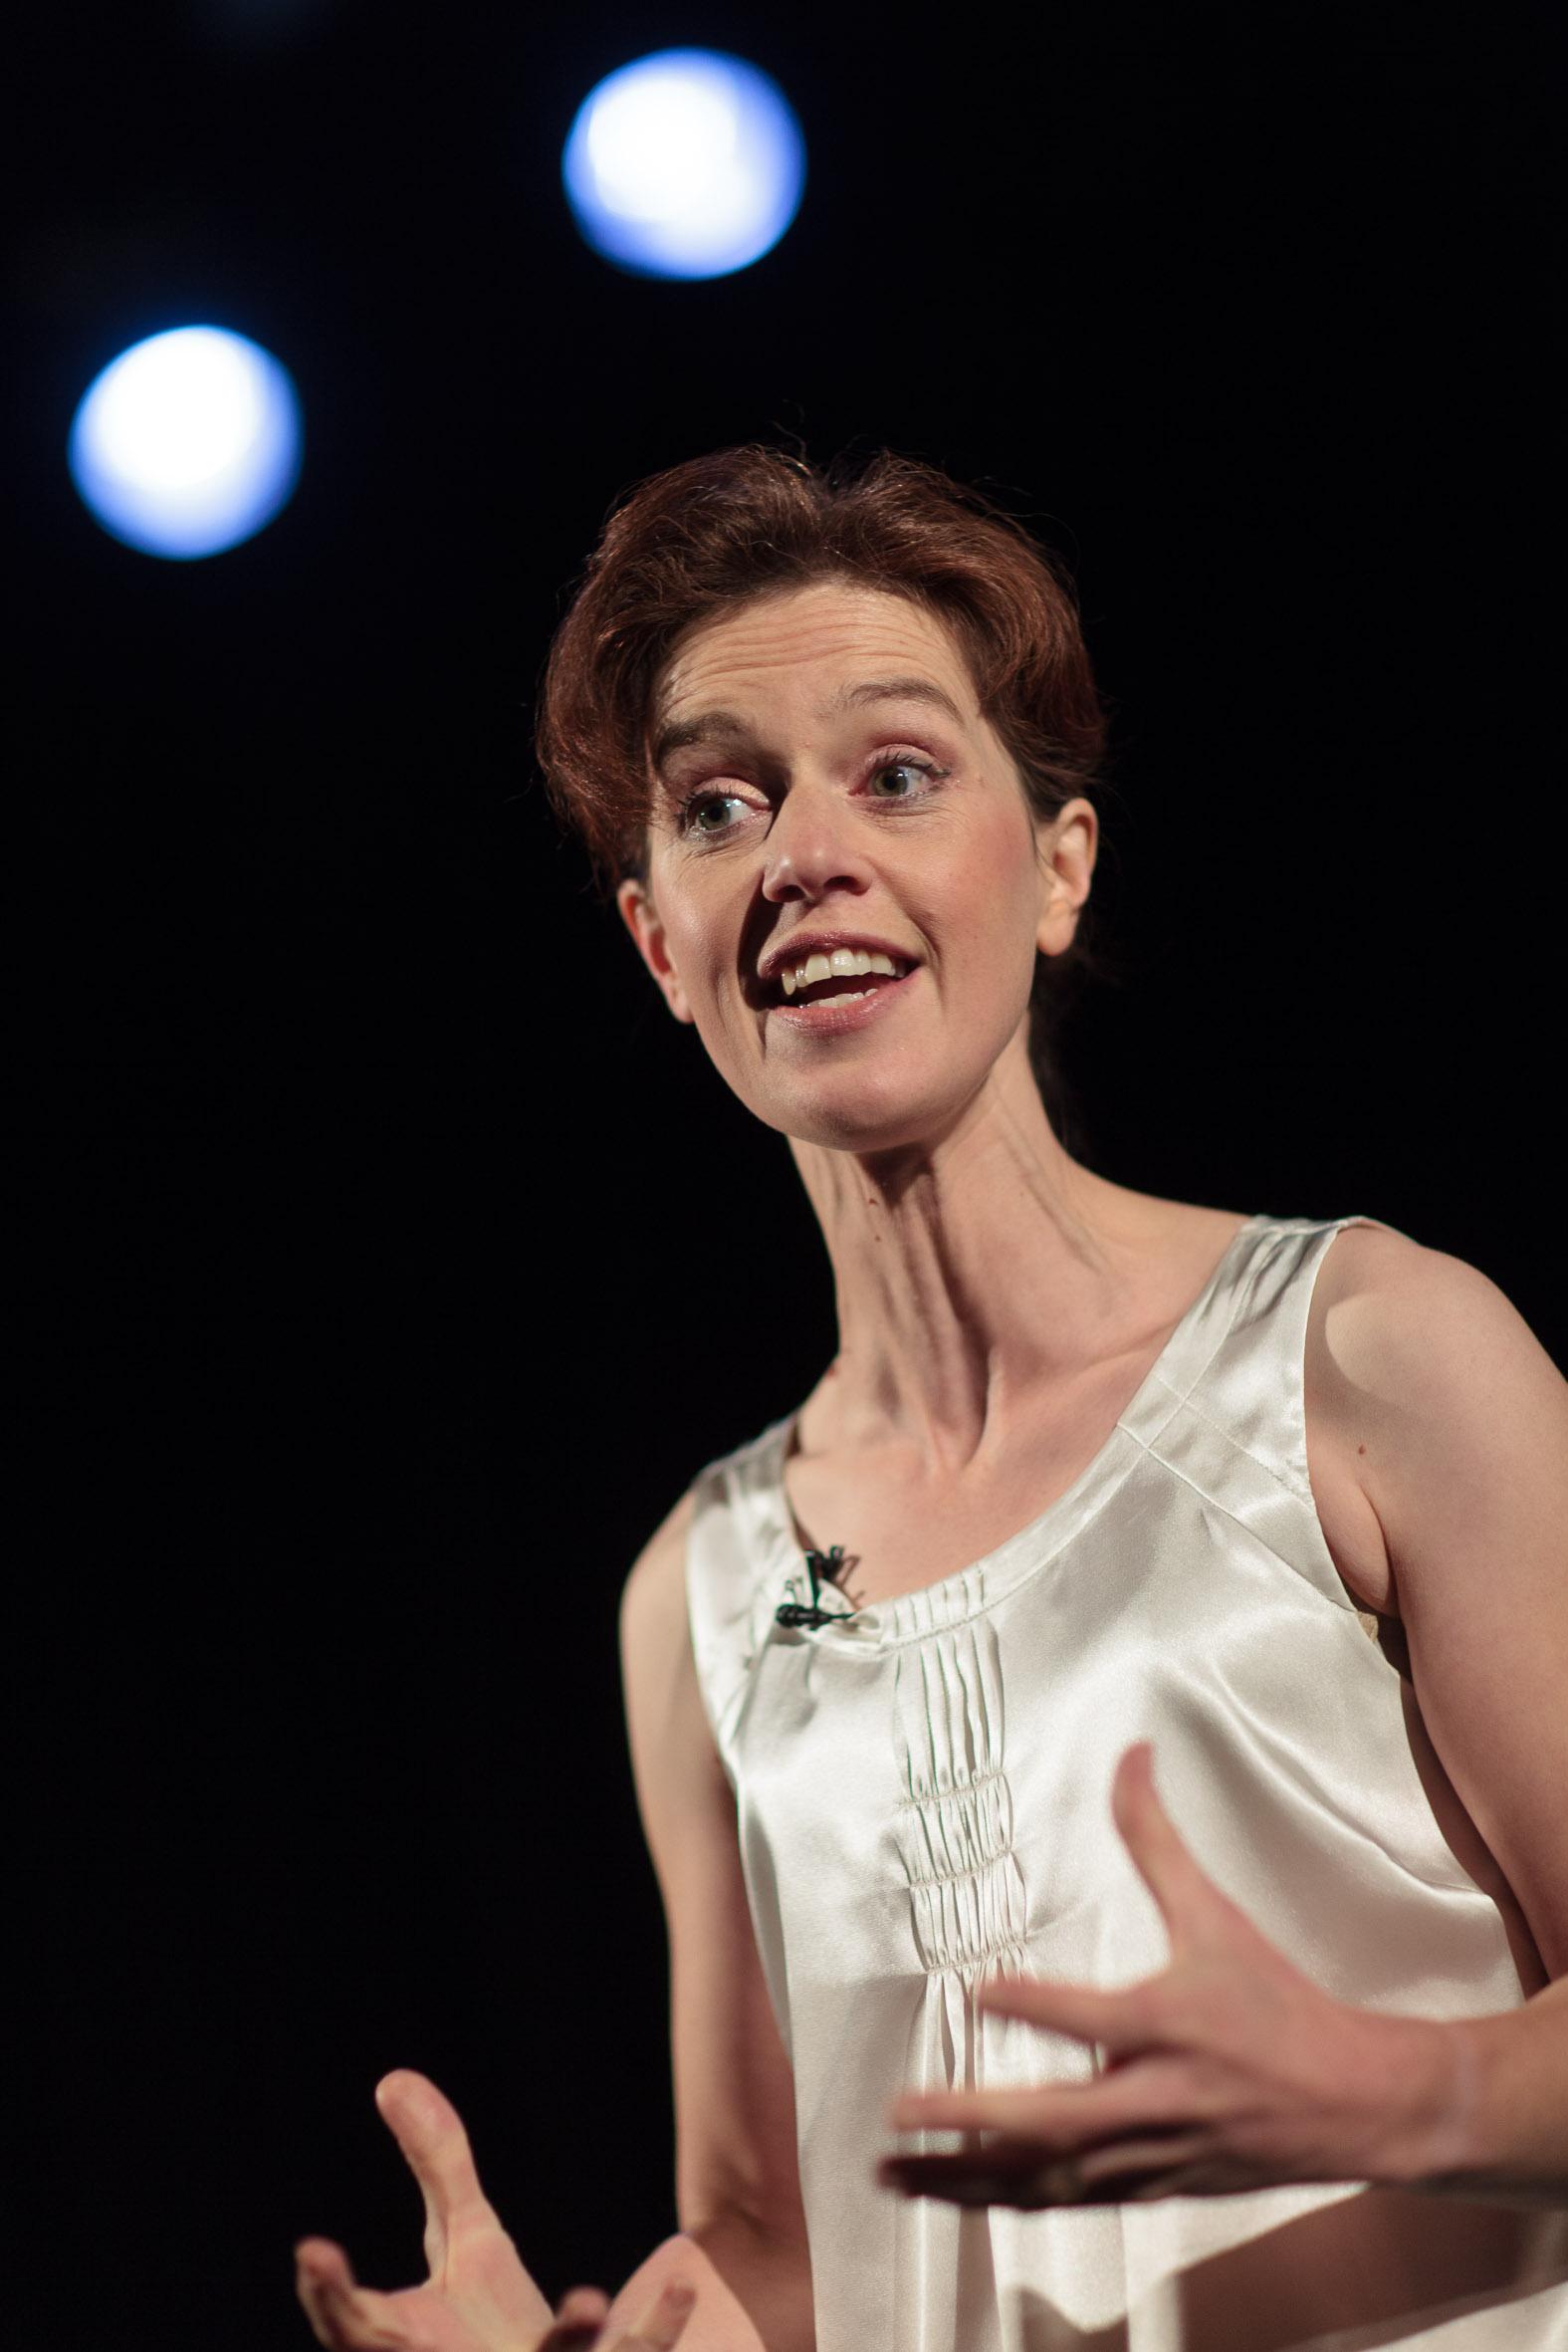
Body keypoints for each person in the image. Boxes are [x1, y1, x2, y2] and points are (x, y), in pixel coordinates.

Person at [296, 446, 1568, 2352]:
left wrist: (1387, 2089)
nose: (807, 850)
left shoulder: (1371, 1351)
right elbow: (776, 2249)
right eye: (720, 805)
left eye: (896, 773)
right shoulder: (705, 1589)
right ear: (664, 946)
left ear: (1056, 869)